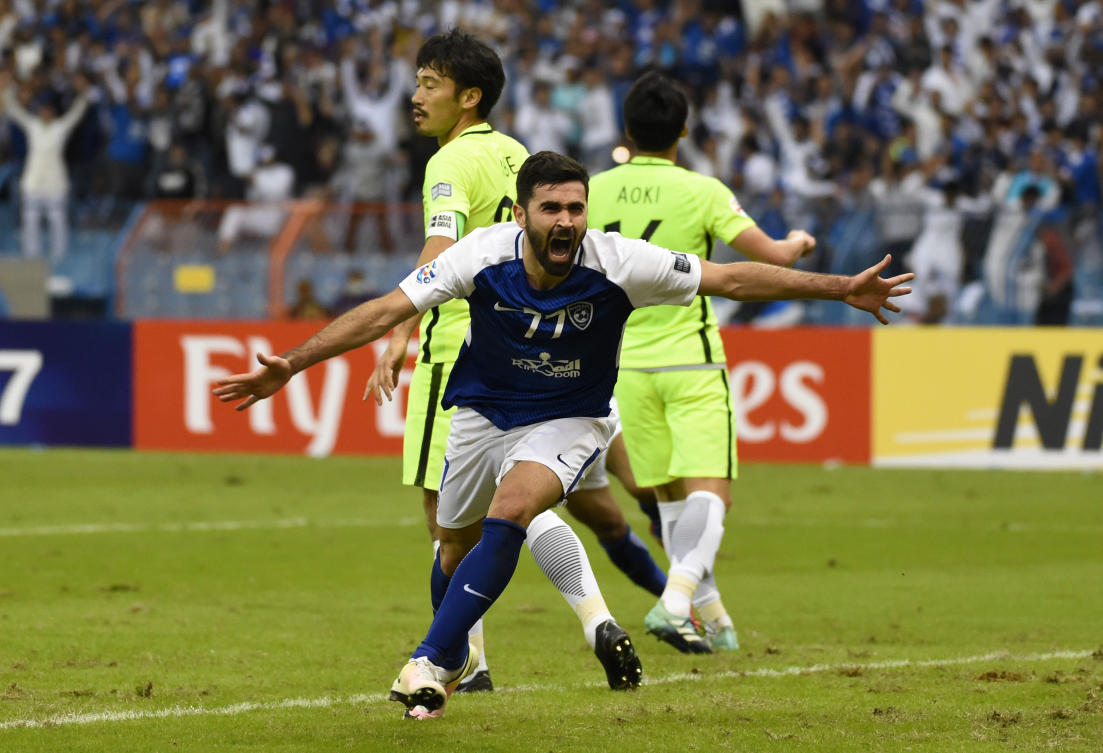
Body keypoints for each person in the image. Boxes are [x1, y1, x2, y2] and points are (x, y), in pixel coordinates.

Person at [214, 151, 913, 720]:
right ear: (521, 215)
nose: (566, 220)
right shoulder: (479, 254)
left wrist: (837, 287)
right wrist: (293, 364)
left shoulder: (618, 261)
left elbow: (729, 276)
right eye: (550, 208)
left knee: (512, 510)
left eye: (575, 207)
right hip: (483, 413)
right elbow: (385, 309)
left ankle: (429, 655)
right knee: (451, 542)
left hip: (570, 418)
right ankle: (455, 652)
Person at [359, 29, 658, 697]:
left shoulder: (447, 163)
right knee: (514, 501)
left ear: (467, 96)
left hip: (461, 347)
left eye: (428, 83)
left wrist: (399, 328)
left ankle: (467, 656)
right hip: (533, 339)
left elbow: (440, 247)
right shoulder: (518, 153)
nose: (415, 95)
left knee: (456, 520)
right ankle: (573, 625)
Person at [587, 71, 817, 653]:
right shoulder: (703, 191)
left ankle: (713, 618)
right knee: (713, 493)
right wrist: (798, 244)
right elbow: (769, 259)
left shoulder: (593, 189)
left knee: (666, 500)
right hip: (689, 360)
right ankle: (674, 602)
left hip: (622, 368)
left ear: (625, 130)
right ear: (683, 131)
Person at [2, 73, 89, 261]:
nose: (45, 113)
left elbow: (76, 114)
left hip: (55, 183)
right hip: (33, 183)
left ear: (53, 112)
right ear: (39, 111)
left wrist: (83, 95)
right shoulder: (32, 125)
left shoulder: (60, 127)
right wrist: (8, 90)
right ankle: (31, 258)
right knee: (30, 223)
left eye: (49, 110)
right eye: (43, 110)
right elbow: (13, 110)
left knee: (58, 222)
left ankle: (60, 258)